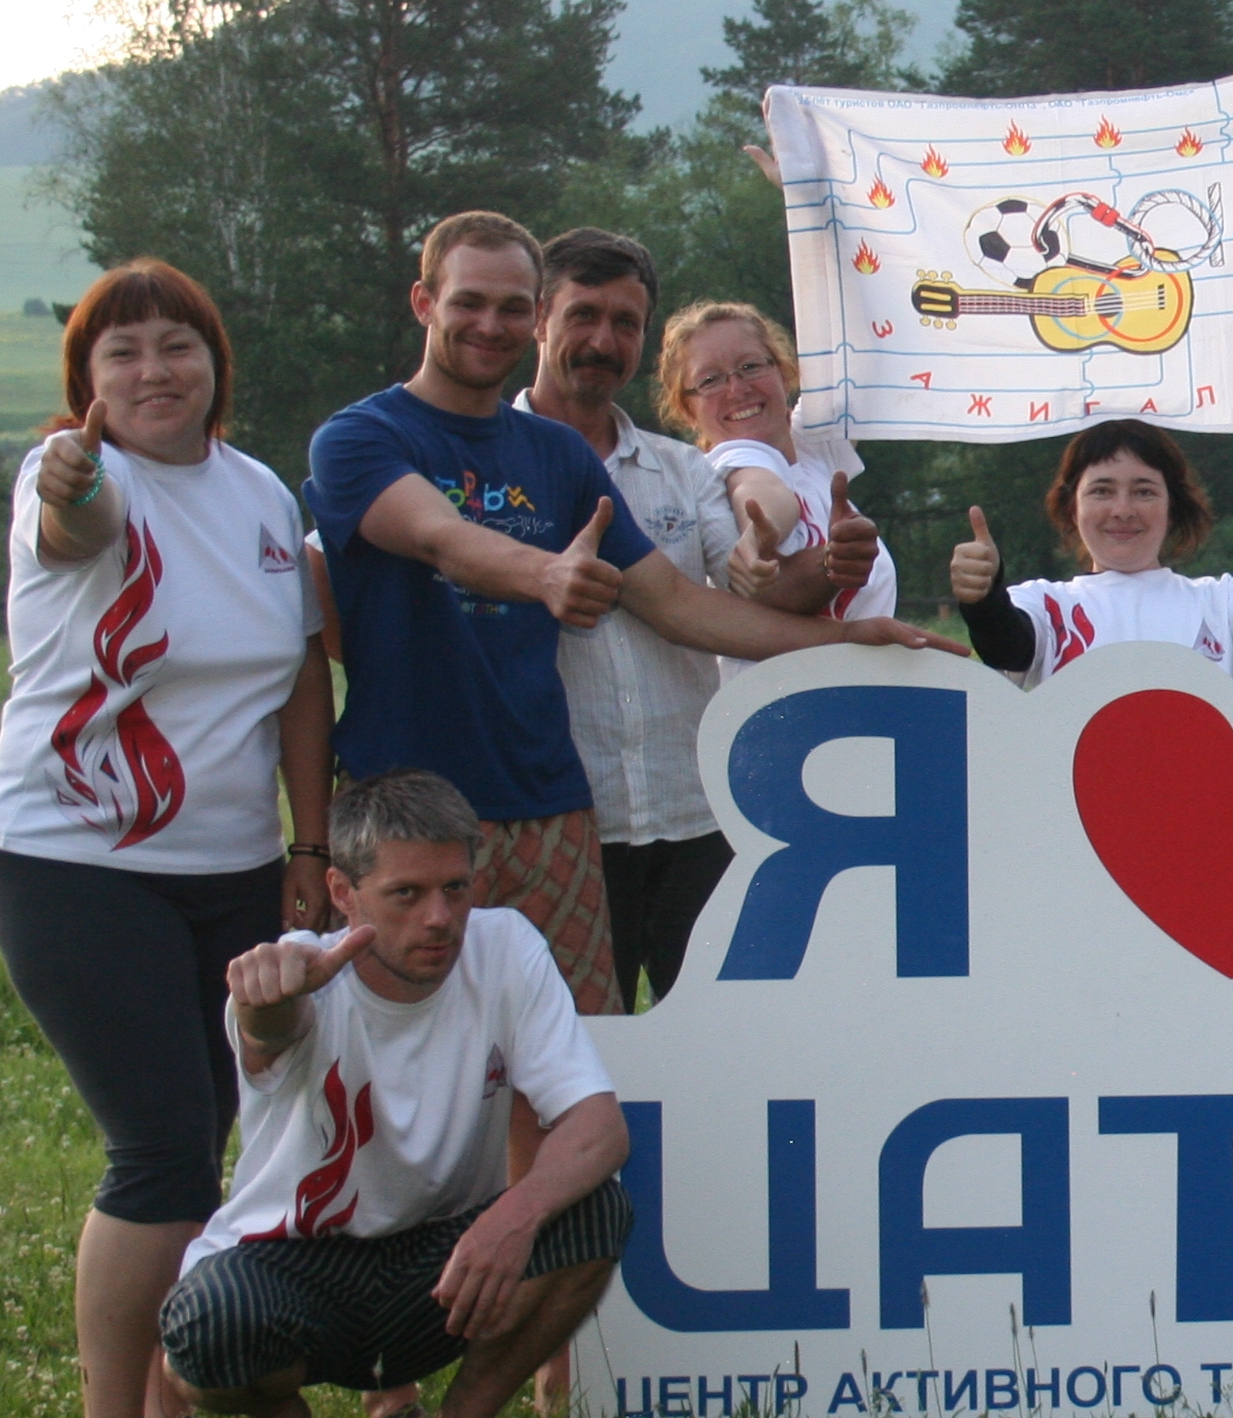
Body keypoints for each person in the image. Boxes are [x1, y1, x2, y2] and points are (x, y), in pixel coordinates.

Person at [307, 209, 947, 1020]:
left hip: (547, 806)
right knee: (412, 1046)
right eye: (470, 302)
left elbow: (680, 608)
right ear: (423, 302)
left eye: (511, 306)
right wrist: (546, 574)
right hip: (411, 809)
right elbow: (437, 537)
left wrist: (847, 635)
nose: (491, 325)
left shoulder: (559, 457)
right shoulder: (359, 438)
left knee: (572, 1055)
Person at [0, 260, 335, 1418]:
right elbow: (71, 527)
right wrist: (72, 485)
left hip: (232, 865)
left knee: (213, 1129)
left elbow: (298, 679)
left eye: (176, 345)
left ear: (214, 363)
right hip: (76, 858)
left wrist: (307, 844)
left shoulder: (258, 496)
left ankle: (173, 1414)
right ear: (85, 382)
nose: (152, 372)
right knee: (163, 1148)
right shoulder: (77, 478)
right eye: (120, 353)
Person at [158, 770, 630, 1418]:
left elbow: (598, 1125)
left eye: (455, 889)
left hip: (439, 1262)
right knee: (206, 1334)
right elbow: (270, 1034)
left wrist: (513, 1215)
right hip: (292, 1263)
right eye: (406, 895)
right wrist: (264, 1006)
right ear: (344, 895)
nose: (440, 918)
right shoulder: (301, 973)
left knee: (592, 1210)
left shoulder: (505, 948)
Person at [516, 234, 792, 1009]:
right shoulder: (493, 466)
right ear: (540, 317)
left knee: (712, 1053)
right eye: (584, 315)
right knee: (571, 1053)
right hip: (562, 823)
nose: (604, 341)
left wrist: (757, 563)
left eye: (627, 322)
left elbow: (737, 576)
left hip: (695, 814)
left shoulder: (680, 469)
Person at [947, 418, 1233, 682]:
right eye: (1102, 491)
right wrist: (983, 598)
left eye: (1144, 491)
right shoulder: (1042, 603)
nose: (1123, 510)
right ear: (1072, 507)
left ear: (1173, 505)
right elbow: (1009, 647)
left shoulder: (1220, 599)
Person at [653, 297, 898, 675]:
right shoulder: (730, 460)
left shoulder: (814, 447)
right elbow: (761, 491)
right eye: (710, 380)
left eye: (750, 367)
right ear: (688, 410)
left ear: (783, 372)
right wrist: (759, 535)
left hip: (852, 698)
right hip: (778, 711)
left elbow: (861, 354)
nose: (736, 389)